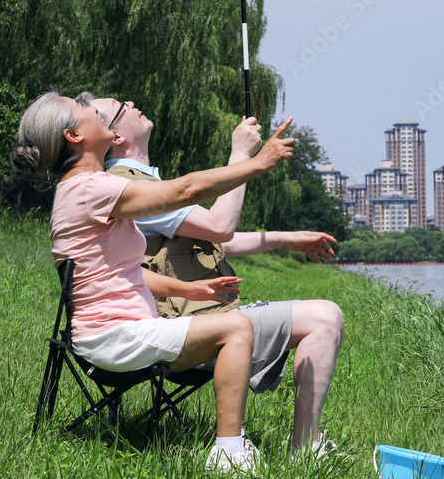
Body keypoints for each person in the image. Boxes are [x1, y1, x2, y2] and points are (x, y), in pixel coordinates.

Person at [11, 91, 294, 475]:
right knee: (237, 326)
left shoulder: (80, 189)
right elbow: (184, 191)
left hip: (109, 333)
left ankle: (230, 446)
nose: (96, 112)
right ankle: (228, 453)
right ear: (75, 136)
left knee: (233, 325)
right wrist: (257, 163)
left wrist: (189, 290)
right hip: (113, 337)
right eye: (88, 111)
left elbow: (115, 271)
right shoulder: (91, 188)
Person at [75, 92, 344, 458]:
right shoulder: (127, 186)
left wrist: (285, 239)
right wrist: (242, 156)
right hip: (185, 328)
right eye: (123, 107)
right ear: (116, 135)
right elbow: (220, 227)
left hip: (194, 320)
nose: (134, 103)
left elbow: (210, 240)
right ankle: (304, 448)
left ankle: (301, 446)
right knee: (326, 316)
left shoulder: (140, 182)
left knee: (322, 315)